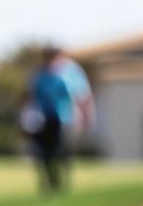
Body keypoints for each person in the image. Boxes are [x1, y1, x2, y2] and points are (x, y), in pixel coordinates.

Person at [24, 46, 94, 193]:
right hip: (44, 119)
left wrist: (86, 116)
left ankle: (64, 182)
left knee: (62, 151)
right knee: (44, 153)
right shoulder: (39, 74)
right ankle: (49, 183)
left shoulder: (70, 72)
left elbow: (81, 95)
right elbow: (31, 96)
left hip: (64, 118)